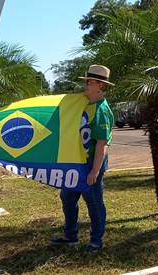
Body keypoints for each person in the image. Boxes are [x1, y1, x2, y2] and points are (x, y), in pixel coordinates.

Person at [51, 64, 114, 252]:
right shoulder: (83, 103)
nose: (86, 85)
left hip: (90, 164)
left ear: (100, 86)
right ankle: (70, 235)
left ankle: (96, 241)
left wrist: (94, 171)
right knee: (68, 197)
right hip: (76, 162)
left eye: (90, 82)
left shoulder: (101, 110)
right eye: (86, 81)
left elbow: (102, 145)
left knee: (93, 201)